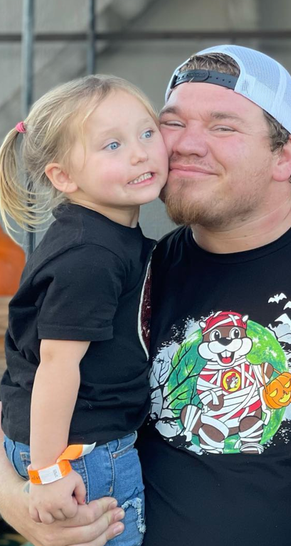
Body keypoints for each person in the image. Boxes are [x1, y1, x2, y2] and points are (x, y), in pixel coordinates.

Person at [0, 45, 291, 546]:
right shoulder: (132, 270)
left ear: (283, 156)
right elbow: (23, 389)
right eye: (170, 123)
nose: (186, 144)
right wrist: (16, 502)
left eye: (222, 126)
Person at [0, 75, 168, 546]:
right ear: (63, 177)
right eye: (112, 145)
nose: (139, 152)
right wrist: (49, 471)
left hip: (75, 444)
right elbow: (57, 365)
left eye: (147, 132)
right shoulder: (90, 257)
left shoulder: (104, 235)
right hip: (83, 452)